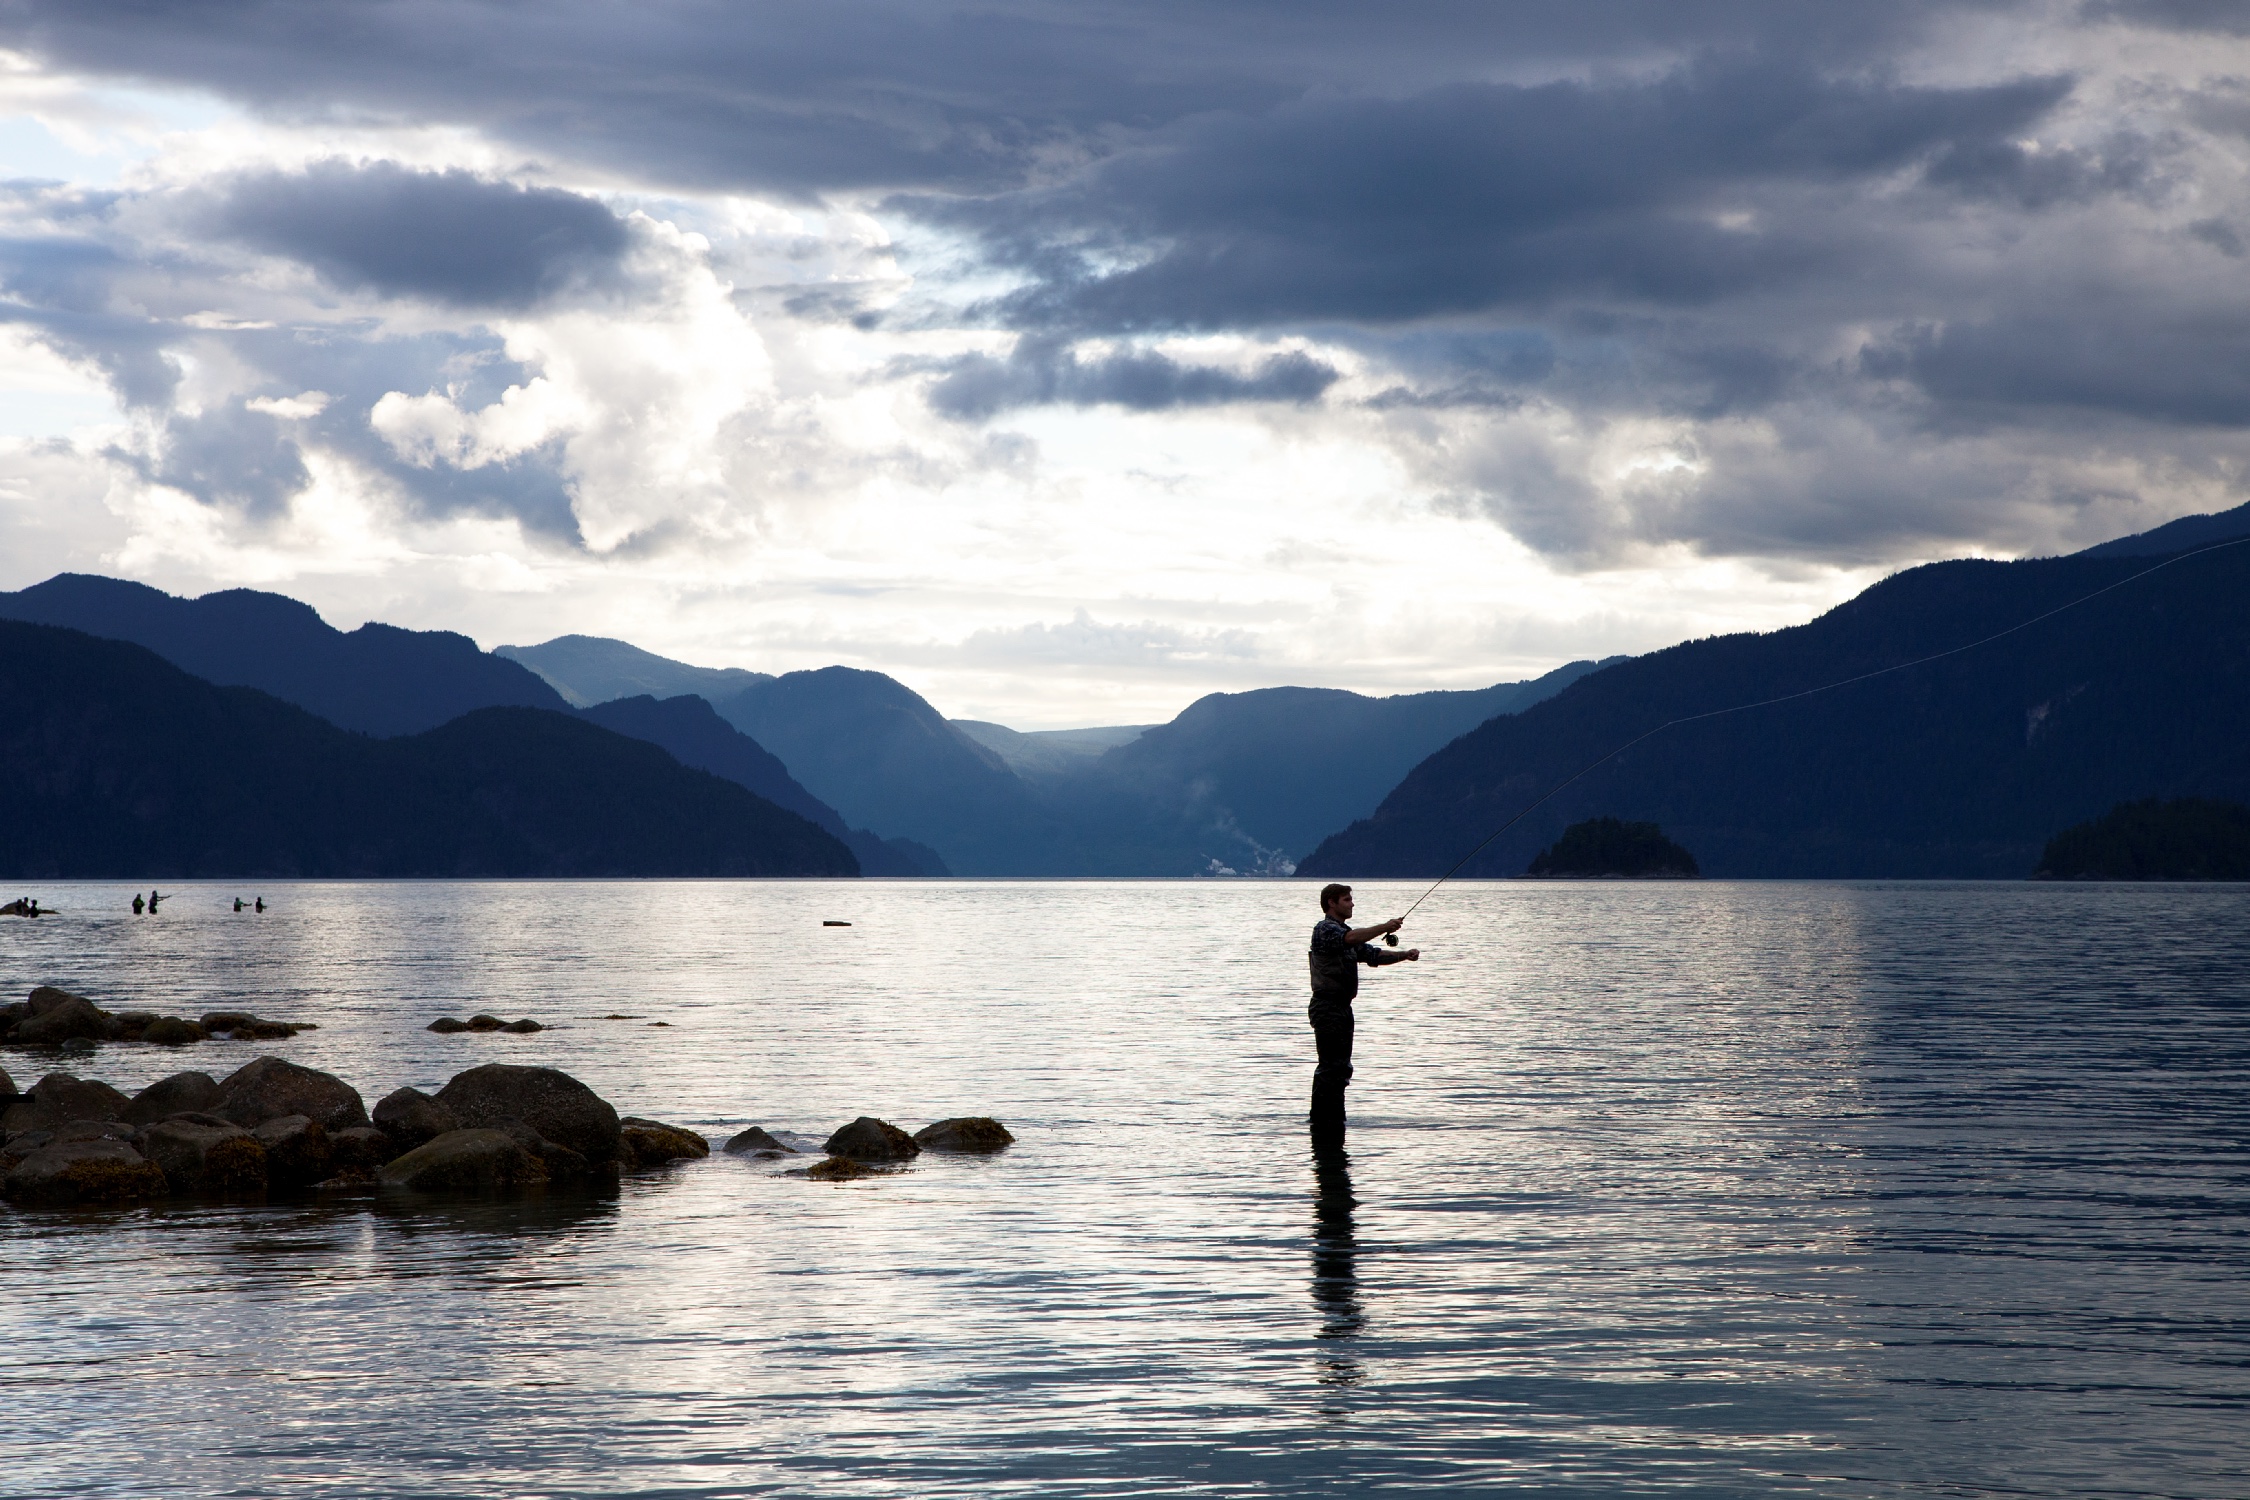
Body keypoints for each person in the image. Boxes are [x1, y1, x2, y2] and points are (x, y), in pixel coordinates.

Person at [1306, 883, 1419, 1140]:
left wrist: (1404, 955)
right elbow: (1352, 939)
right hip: (1327, 1007)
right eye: (1346, 899)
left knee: (1340, 1069)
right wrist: (1384, 927)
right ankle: (1323, 1122)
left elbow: (1373, 955)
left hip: (1342, 1008)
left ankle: (1332, 1121)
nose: (1352, 904)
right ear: (1331, 903)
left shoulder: (1345, 934)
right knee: (1331, 1068)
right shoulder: (1325, 929)